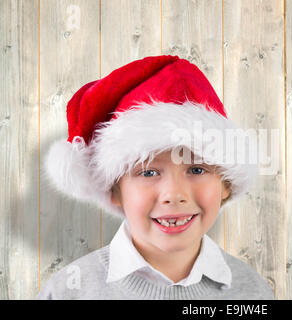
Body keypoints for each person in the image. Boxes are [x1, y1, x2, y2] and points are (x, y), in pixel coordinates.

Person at [36, 55, 274, 300]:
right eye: (148, 172)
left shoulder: (253, 293)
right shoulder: (68, 291)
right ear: (113, 191)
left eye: (197, 170)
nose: (174, 194)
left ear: (226, 184)